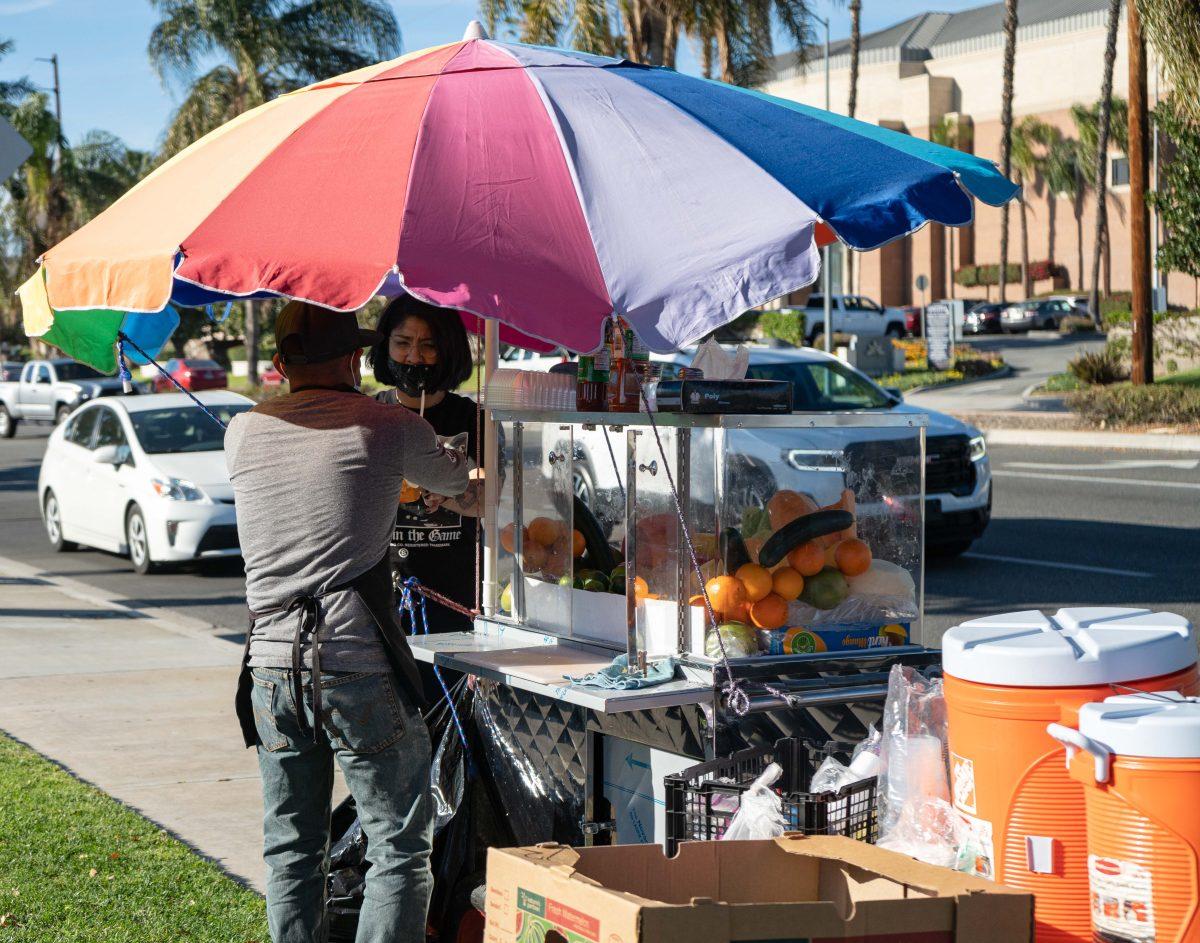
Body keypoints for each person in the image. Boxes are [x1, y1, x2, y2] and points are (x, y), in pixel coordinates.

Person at [225, 300, 471, 943]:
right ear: (358, 358)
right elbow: (465, 482)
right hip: (356, 662)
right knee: (397, 847)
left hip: (270, 665)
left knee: (292, 849)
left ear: (278, 364)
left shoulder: (241, 431)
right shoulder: (385, 424)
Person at [367, 295, 483, 634]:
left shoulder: (472, 417)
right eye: (402, 343)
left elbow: (489, 492)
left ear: (448, 349)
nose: (414, 357)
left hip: (454, 598)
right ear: (385, 345)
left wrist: (446, 494)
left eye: (428, 346)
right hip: (380, 600)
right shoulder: (369, 417)